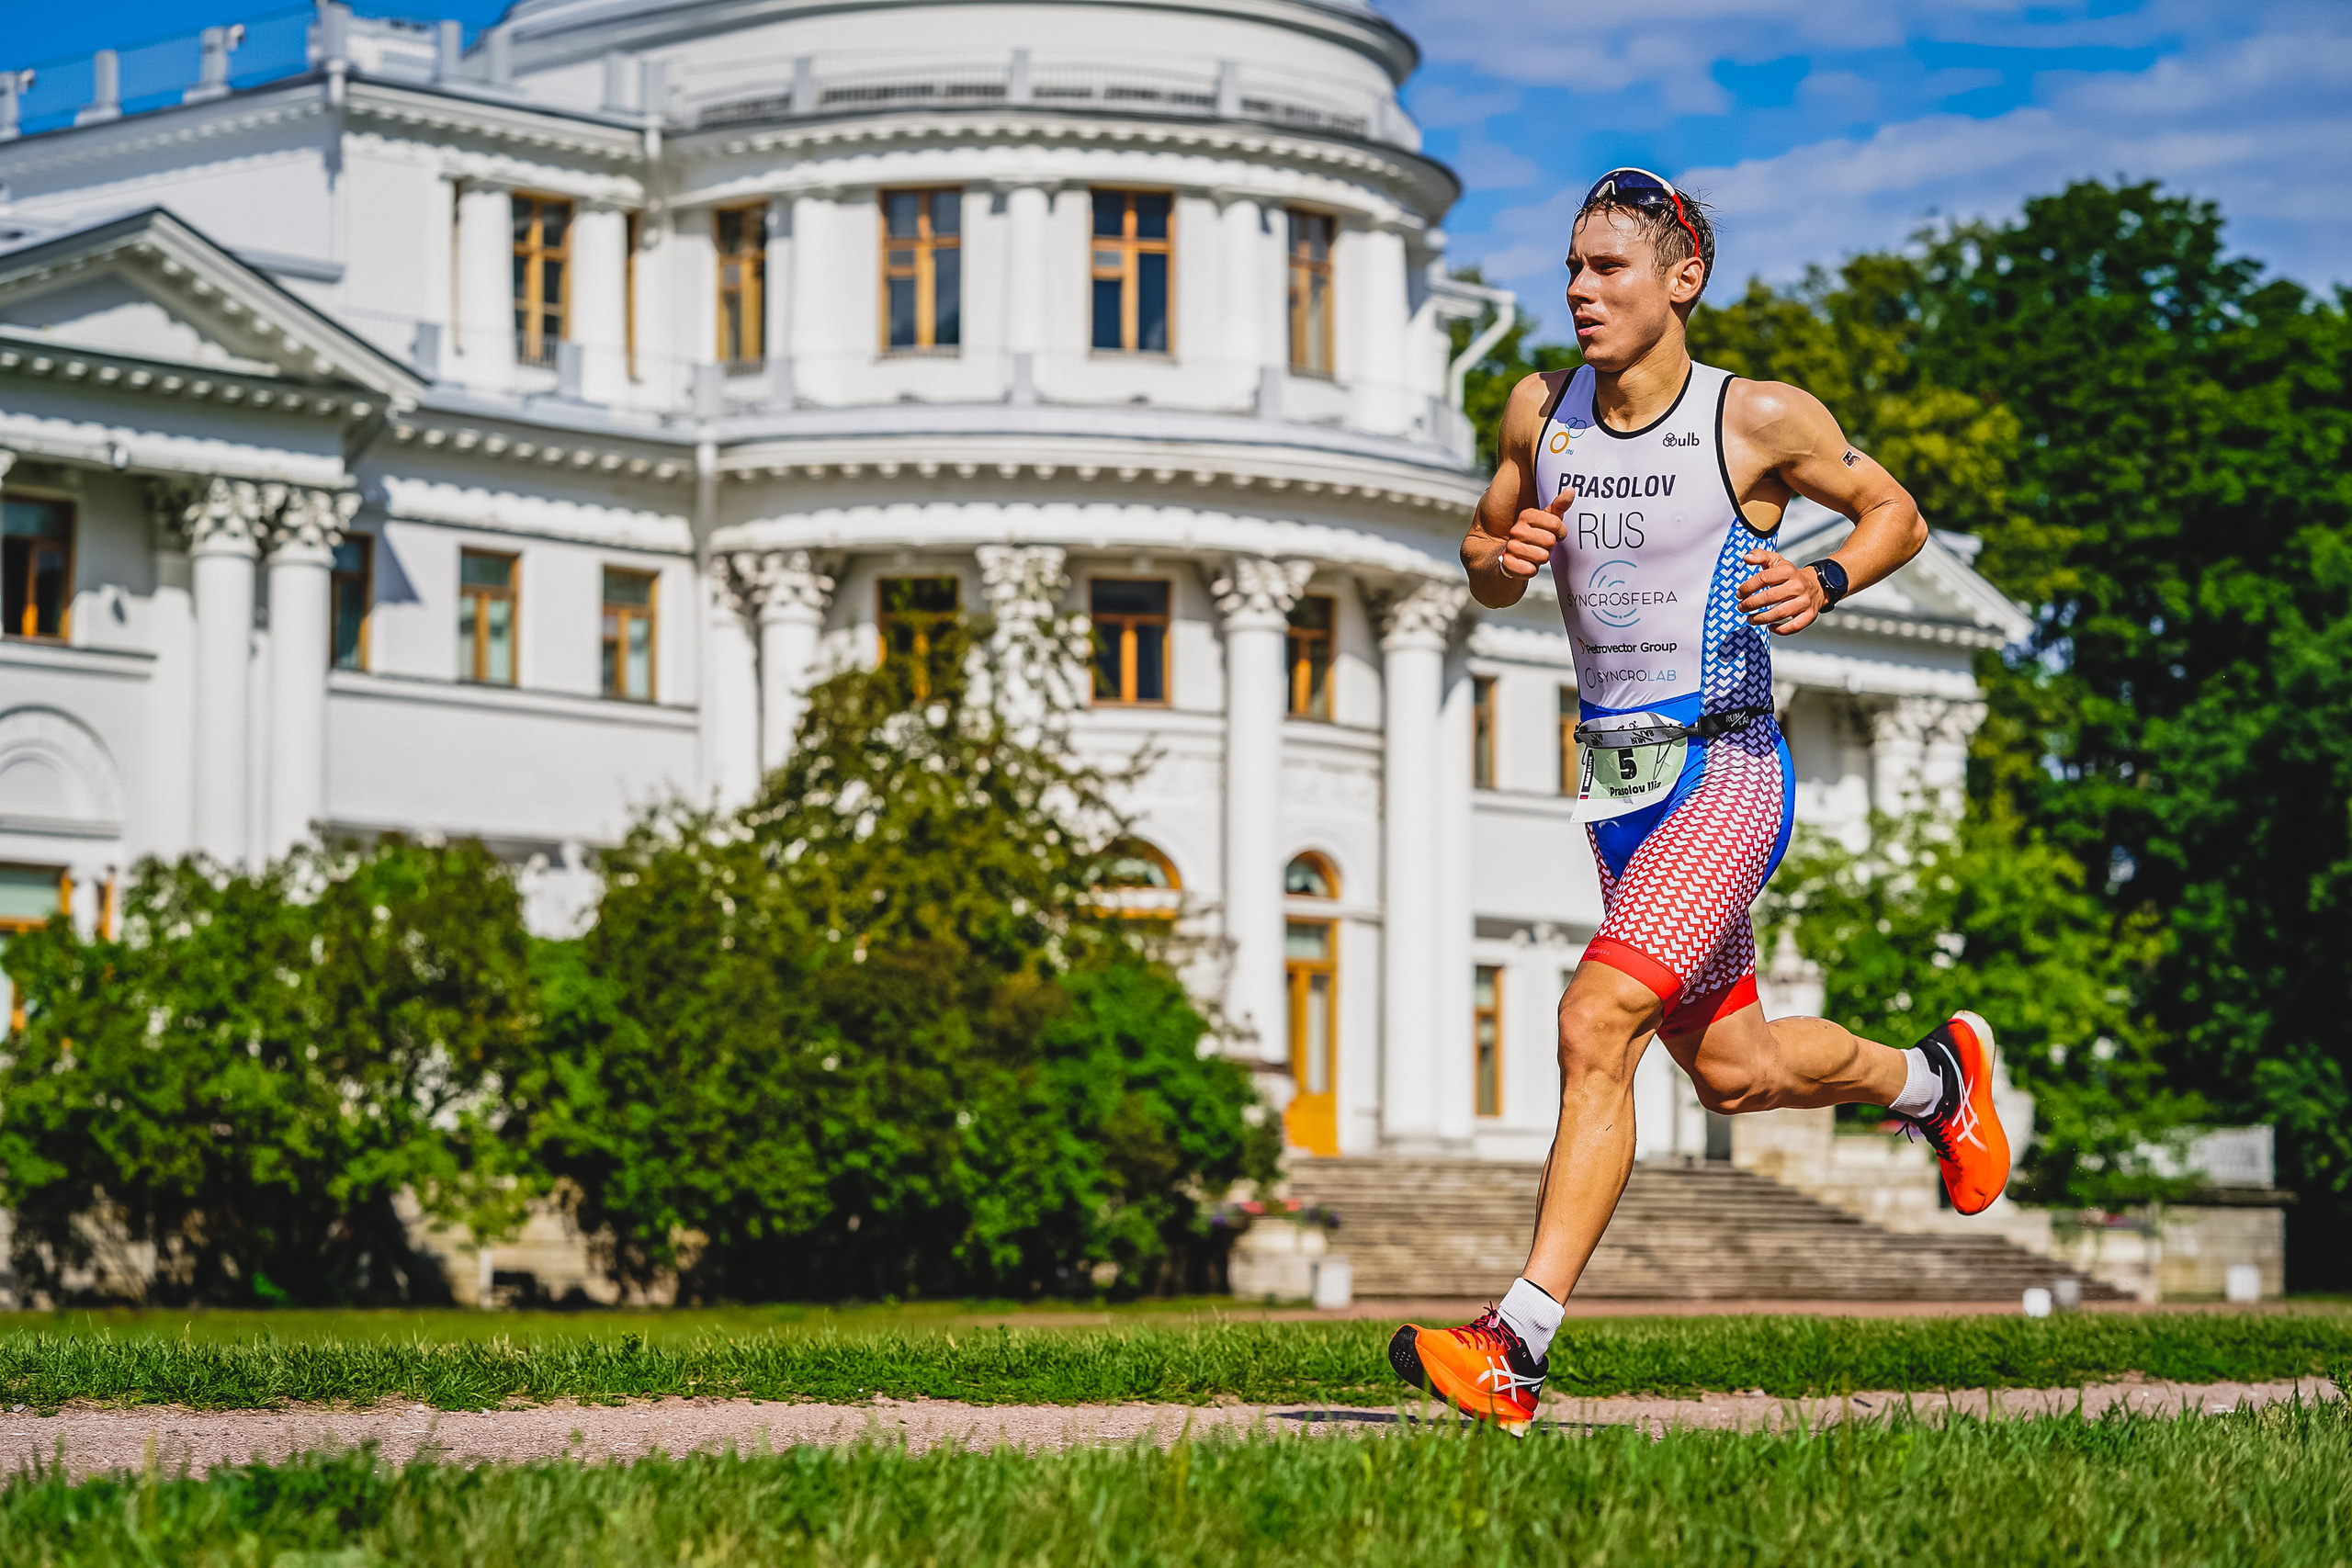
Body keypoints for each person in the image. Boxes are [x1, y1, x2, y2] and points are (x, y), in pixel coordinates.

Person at [1387, 168, 2009, 1435]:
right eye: (1571, 266)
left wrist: (1828, 578)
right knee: (1736, 1070)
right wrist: (1498, 561)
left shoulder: (1758, 419)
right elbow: (1482, 555)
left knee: (1591, 1018)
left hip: (1728, 765)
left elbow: (1899, 513)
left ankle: (1517, 1343)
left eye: (1608, 268)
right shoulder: (1536, 409)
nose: (1579, 289)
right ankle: (1936, 1083)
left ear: (1683, 281)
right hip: (1620, 797)